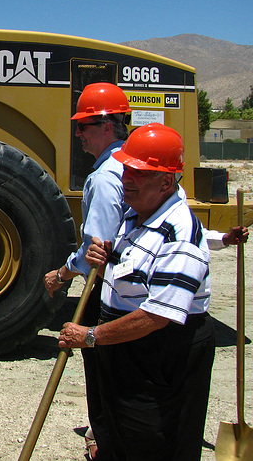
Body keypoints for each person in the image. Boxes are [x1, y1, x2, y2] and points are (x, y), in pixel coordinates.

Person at [59, 123, 215, 461]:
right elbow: (139, 266)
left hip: (159, 358)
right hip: (127, 351)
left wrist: (90, 336)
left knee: (154, 444)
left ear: (166, 182)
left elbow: (157, 315)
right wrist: (109, 254)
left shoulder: (180, 234)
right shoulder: (136, 216)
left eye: (139, 174)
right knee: (119, 438)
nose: (127, 179)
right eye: (126, 169)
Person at [43, 82, 130, 461]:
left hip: (110, 287)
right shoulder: (139, 164)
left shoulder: (106, 175)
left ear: (108, 126)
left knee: (103, 371)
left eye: (85, 126)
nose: (78, 133)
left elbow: (98, 247)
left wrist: (62, 274)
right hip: (137, 287)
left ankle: (107, 444)